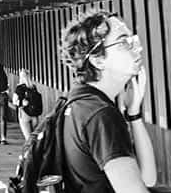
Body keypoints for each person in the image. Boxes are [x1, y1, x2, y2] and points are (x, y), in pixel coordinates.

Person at [60, 11, 157, 192]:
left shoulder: (79, 101)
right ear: (98, 60)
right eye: (123, 42)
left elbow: (148, 178)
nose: (138, 48)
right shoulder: (101, 116)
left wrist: (134, 114)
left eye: (132, 39)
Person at [12, 68, 39, 141]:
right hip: (34, 114)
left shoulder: (19, 88)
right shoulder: (33, 87)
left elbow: (14, 101)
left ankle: (30, 148)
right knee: (35, 137)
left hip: (24, 114)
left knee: (28, 138)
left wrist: (22, 103)